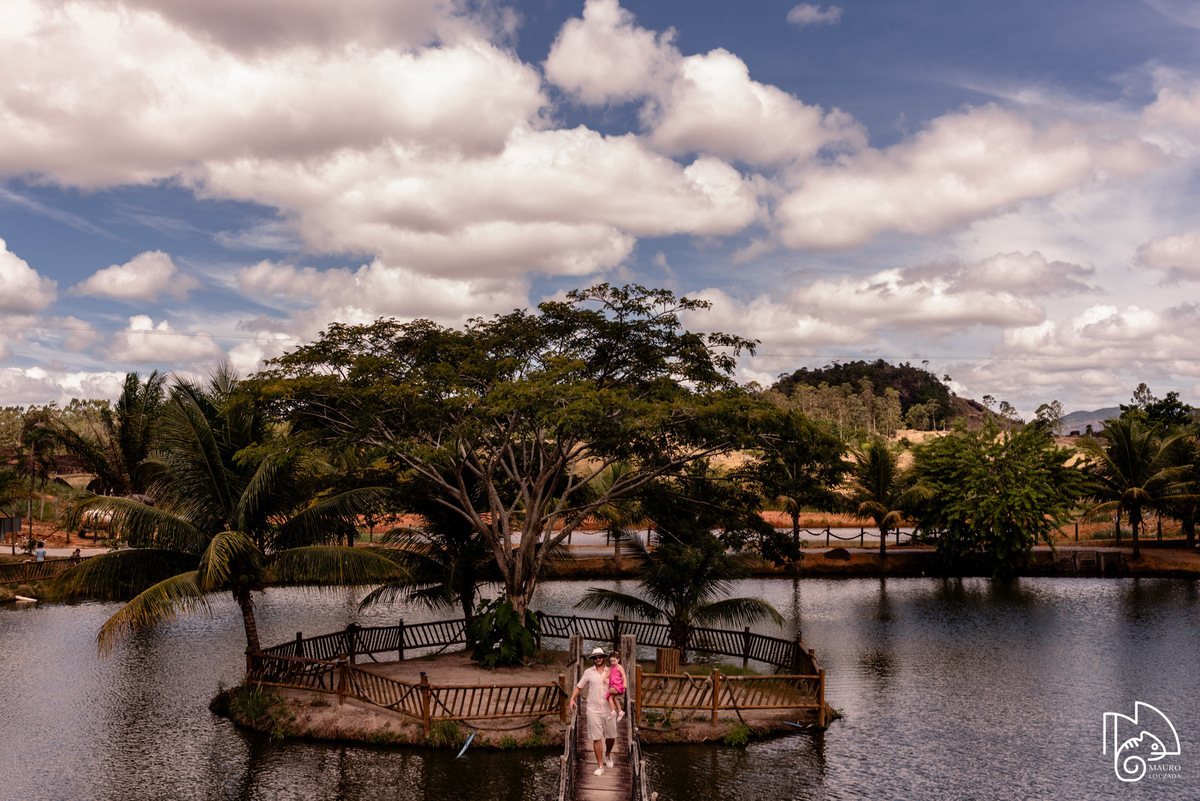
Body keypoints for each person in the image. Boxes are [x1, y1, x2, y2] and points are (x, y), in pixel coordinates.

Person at [568, 646, 617, 776]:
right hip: (593, 710)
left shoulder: (611, 671)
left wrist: (617, 691)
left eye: (600, 657)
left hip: (609, 709)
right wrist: (572, 698)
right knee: (596, 738)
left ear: (604, 658)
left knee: (611, 737)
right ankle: (600, 765)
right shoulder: (588, 672)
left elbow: (619, 686)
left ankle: (608, 754)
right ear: (593, 659)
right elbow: (579, 687)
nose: (598, 659)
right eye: (595, 658)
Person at [606, 650, 627, 720]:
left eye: (614, 661)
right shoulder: (611, 667)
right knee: (614, 698)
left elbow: (623, 675)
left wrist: (624, 683)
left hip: (618, 685)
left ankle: (613, 711)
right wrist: (605, 677)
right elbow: (608, 673)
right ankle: (620, 711)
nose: (612, 663)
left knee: (610, 697)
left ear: (618, 659)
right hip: (613, 685)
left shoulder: (619, 667)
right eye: (611, 661)